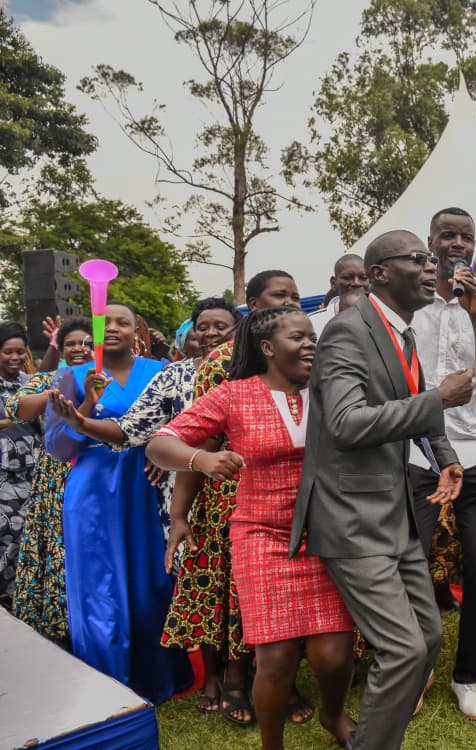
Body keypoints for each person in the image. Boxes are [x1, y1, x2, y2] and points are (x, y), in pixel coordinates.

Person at [291, 229, 472, 750]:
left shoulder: (404, 331)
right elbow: (347, 423)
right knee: (404, 649)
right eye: (419, 258)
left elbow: (411, 403)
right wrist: (439, 397)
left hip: (393, 512)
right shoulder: (348, 332)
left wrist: (447, 459)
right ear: (380, 274)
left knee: (429, 636)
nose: (433, 265)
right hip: (351, 516)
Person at [147, 307, 356, 750]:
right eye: (298, 337)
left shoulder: (331, 390)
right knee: (275, 658)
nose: (310, 344)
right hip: (262, 533)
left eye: (313, 336)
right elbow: (160, 442)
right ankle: (271, 745)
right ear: (267, 348)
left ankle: (333, 715)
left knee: (335, 657)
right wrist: (201, 459)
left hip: (327, 533)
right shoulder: (233, 395)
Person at [174, 271, 304, 726]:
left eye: (293, 295)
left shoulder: (305, 354)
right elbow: (201, 441)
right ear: (253, 303)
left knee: (283, 593)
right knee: (230, 593)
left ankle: (279, 678)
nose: (289, 301)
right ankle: (234, 678)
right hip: (231, 494)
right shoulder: (219, 364)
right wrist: (180, 511)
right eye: (278, 295)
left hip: (293, 495)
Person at [44, 302, 192, 703]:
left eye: (121, 322)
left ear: (137, 331)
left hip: (147, 484)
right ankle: (107, 686)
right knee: (99, 585)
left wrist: (163, 454)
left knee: (152, 580)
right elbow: (58, 446)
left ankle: (158, 677)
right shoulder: (70, 374)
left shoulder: (159, 371)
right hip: (93, 489)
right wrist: (87, 402)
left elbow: (181, 423)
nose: (111, 328)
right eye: (103, 322)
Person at [407, 207, 476, 720]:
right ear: (430, 240)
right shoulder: (410, 295)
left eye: (465, 235)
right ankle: (417, 665)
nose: (456, 242)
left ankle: (466, 674)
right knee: (412, 563)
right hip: (418, 450)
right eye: (447, 234)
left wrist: (475, 312)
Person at [9, 317, 92, 641]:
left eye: (85, 343)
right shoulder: (46, 378)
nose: (77, 349)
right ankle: (57, 627)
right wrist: (57, 389)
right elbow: (18, 409)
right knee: (56, 548)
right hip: (54, 477)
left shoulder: (107, 378)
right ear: (61, 348)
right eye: (70, 343)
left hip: (94, 471)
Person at [0, 321, 33, 609]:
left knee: (24, 534)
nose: (14, 357)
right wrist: (20, 417)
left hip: (30, 472)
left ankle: (14, 593)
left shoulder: (27, 382)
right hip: (2, 475)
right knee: (4, 530)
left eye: (20, 352)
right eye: (8, 351)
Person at [308, 254, 370, 335]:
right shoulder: (313, 323)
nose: (356, 283)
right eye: (347, 277)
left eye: (363, 278)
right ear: (334, 283)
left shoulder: (382, 319)